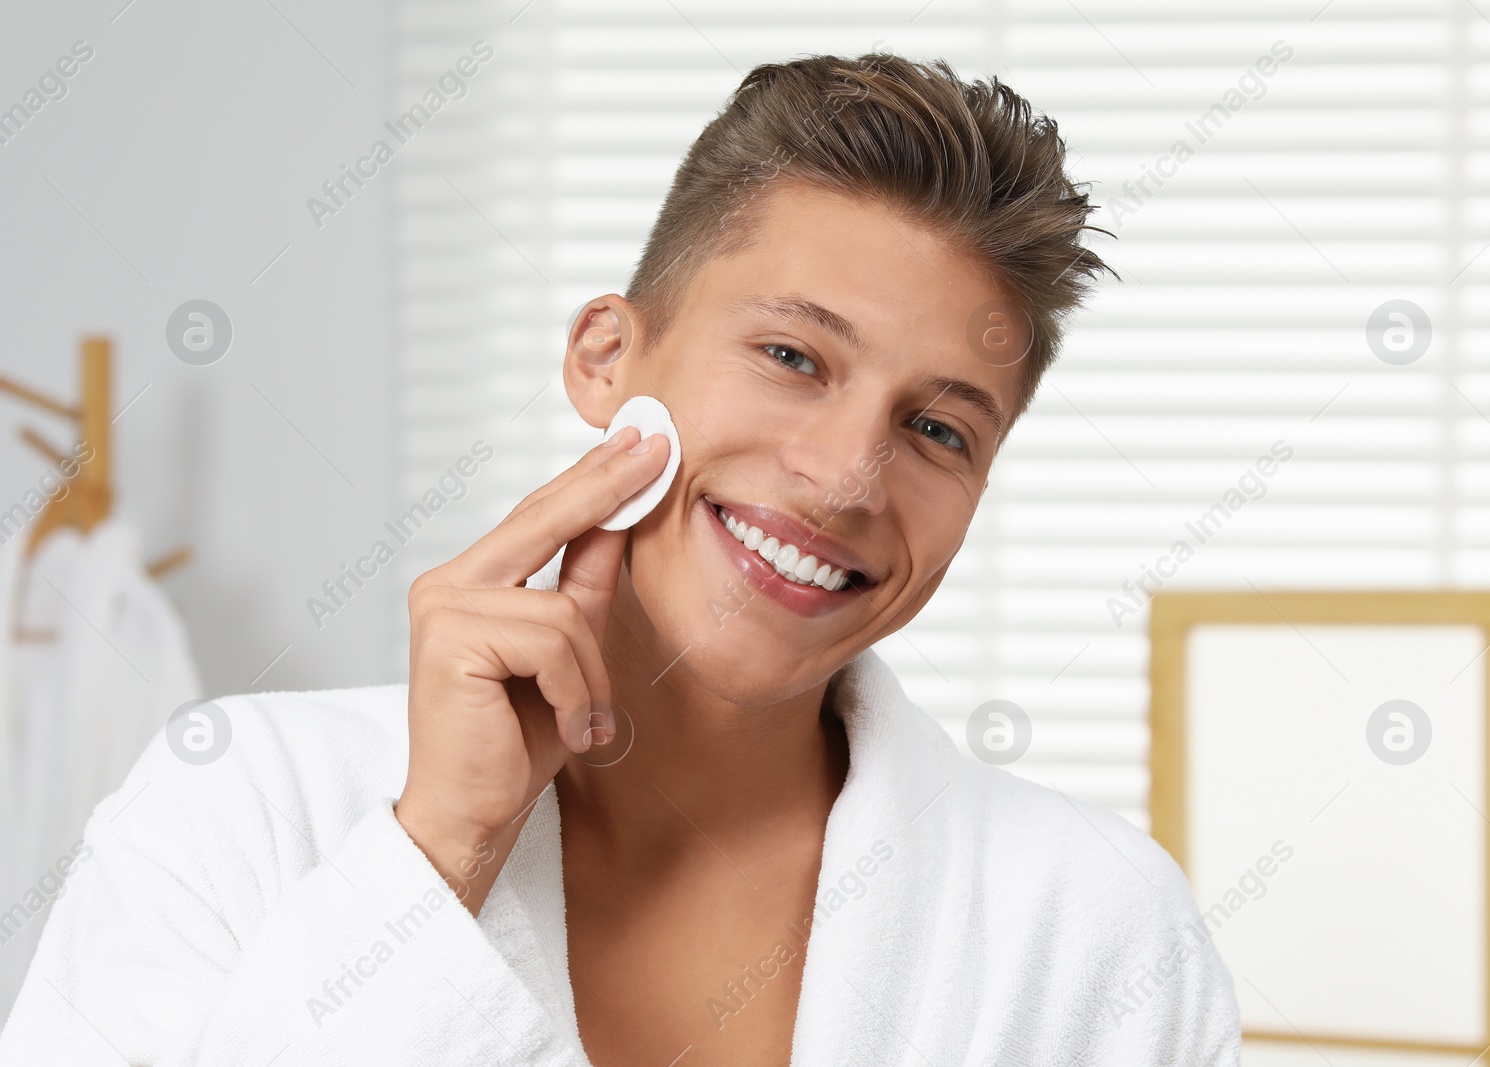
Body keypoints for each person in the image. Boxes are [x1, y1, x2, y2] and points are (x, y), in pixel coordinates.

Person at [0, 53, 1240, 1065]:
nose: (848, 475)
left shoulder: (1099, 924)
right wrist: (437, 853)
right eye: (793, 357)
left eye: (936, 428)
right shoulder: (233, 805)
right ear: (607, 357)